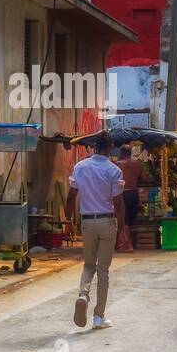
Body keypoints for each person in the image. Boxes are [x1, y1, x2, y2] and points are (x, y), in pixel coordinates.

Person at [65, 132, 125, 330]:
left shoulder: (80, 167)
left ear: (94, 147)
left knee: (88, 264)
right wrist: (123, 227)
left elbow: (71, 195)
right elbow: (118, 202)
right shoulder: (114, 171)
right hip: (107, 222)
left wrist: (68, 221)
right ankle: (99, 317)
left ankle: (83, 294)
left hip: (87, 222)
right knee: (103, 270)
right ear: (109, 148)